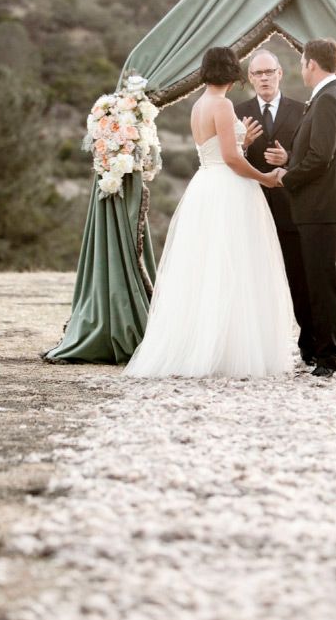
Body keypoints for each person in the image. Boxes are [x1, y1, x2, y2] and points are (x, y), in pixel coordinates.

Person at [124, 47, 293, 379]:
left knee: (209, 266)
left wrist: (243, 139)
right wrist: (265, 179)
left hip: (205, 186)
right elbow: (230, 158)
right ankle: (229, 351)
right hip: (229, 188)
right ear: (232, 73)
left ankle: (207, 345)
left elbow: (217, 150)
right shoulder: (223, 104)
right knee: (236, 265)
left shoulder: (199, 105)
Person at [276, 39, 336, 378]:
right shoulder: (332, 96)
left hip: (322, 206)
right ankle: (333, 355)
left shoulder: (328, 99)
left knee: (325, 284)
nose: (301, 69)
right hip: (323, 205)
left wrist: (286, 177)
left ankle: (333, 359)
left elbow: (320, 157)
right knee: (327, 282)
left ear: (311, 64)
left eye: (302, 63)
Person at [235, 49, 315, 365]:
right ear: (250, 78)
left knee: (299, 278)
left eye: (269, 72)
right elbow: (227, 158)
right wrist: (242, 145)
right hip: (251, 209)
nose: (264, 78)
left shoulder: (302, 109)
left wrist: (289, 160)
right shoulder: (237, 111)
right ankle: (256, 348)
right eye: (257, 74)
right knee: (254, 280)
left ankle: (309, 346)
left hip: (292, 210)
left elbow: (312, 156)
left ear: (280, 73)